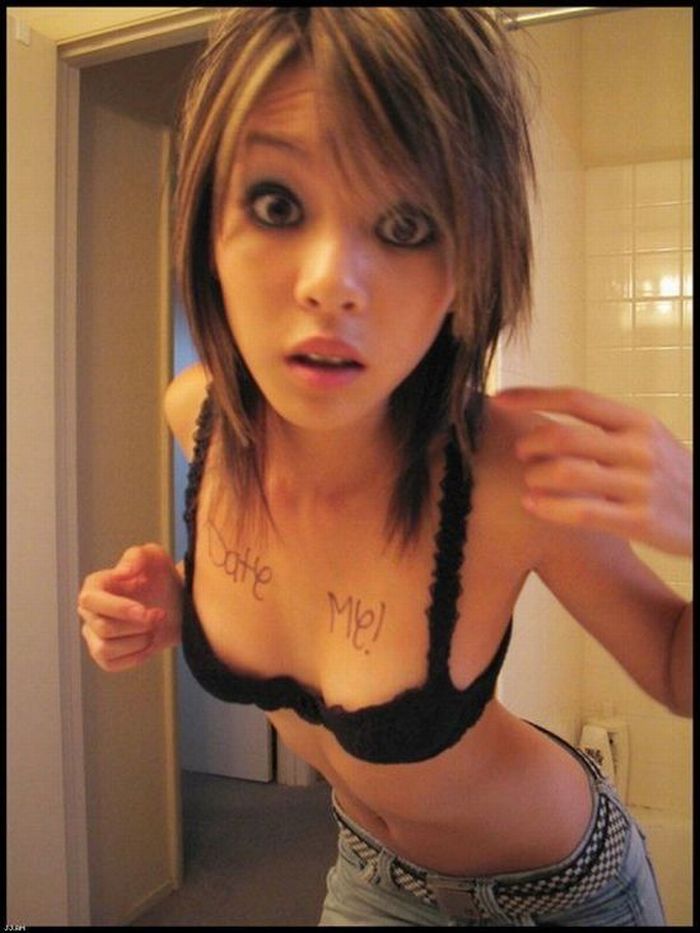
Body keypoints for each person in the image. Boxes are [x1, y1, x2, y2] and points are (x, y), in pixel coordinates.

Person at [78, 8, 692, 926]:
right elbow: (305, 575)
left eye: (406, 223)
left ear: (468, 266)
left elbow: (676, 670)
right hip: (370, 876)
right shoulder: (194, 414)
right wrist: (182, 597)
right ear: (209, 225)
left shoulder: (515, 476)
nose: (331, 281)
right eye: (277, 204)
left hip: (563, 891)